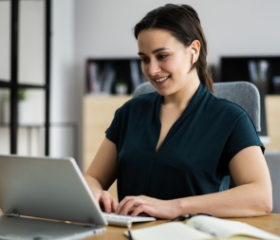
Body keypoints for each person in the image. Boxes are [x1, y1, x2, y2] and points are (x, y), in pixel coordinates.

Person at [84, 4, 272, 219]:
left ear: (193, 51)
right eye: (145, 59)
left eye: (162, 56)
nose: (152, 70)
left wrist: (173, 207)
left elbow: (261, 198)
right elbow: (92, 177)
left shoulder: (231, 119)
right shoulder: (129, 112)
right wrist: (95, 192)